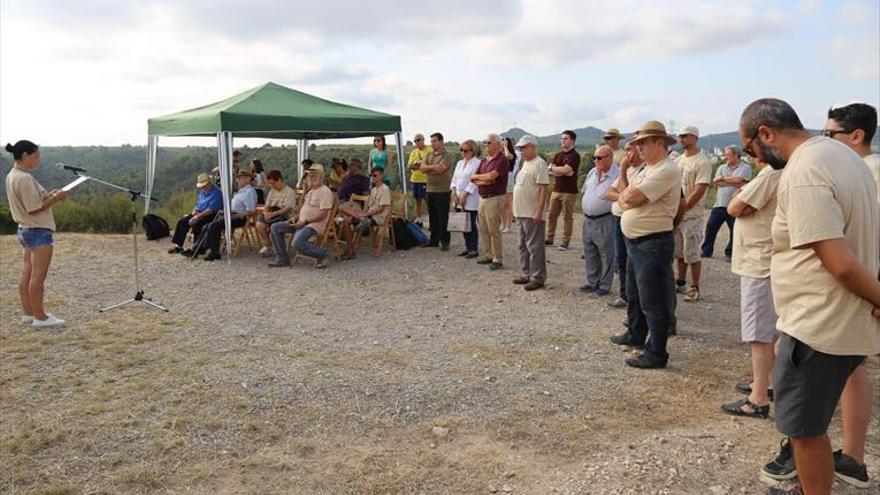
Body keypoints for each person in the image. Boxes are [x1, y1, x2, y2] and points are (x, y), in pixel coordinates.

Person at [737, 99, 880, 495]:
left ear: (766, 133)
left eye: (751, 150)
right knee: (809, 420)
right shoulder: (842, 155)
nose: (756, 158)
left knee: (804, 430)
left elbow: (841, 263)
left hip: (819, 322)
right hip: (837, 318)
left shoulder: (804, 171)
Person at [609, 121, 681, 369]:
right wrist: (624, 178)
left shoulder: (666, 170)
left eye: (643, 142)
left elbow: (630, 196)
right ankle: (636, 334)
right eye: (637, 142)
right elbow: (622, 193)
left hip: (653, 242)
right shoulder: (646, 169)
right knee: (634, 293)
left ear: (660, 143)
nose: (638, 147)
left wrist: (626, 197)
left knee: (653, 300)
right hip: (638, 241)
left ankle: (656, 352)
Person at [719, 157, 781, 420]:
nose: (751, 156)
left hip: (759, 261)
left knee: (759, 332)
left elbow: (734, 207)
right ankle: (766, 383)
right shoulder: (778, 173)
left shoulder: (769, 175)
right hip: (767, 259)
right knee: (771, 330)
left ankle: (758, 400)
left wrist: (742, 194)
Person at [5, 140, 68, 328]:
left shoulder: (13, 175)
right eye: (36, 156)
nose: (38, 160)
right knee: (38, 276)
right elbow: (34, 208)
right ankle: (40, 318)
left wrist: (49, 196)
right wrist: (56, 199)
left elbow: (32, 202)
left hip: (25, 229)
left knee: (28, 272)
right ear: (25, 155)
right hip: (38, 230)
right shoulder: (24, 178)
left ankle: (29, 313)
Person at [268, 164, 335, 268]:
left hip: (312, 225)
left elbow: (323, 214)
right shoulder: (311, 191)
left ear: (321, 177)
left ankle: (324, 255)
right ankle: (282, 258)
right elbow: (303, 209)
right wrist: (295, 218)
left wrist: (305, 222)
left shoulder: (325, 192)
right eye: (310, 176)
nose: (311, 178)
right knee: (275, 227)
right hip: (301, 222)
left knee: (297, 243)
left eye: (314, 176)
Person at [674, 126, 712, 303]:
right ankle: (680, 282)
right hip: (678, 214)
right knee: (680, 252)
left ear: (695, 138)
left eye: (685, 136)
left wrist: (683, 207)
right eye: (680, 136)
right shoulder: (679, 160)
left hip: (692, 215)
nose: (681, 139)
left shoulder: (702, 161)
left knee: (693, 252)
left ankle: (694, 287)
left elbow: (700, 189)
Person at [605, 140, 644, 309]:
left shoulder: (643, 171)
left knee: (632, 262)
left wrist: (621, 170)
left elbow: (627, 194)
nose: (626, 154)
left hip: (632, 224)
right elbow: (609, 192)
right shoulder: (629, 170)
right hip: (618, 219)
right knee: (621, 260)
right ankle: (624, 295)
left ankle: (636, 299)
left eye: (629, 150)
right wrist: (622, 195)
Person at [579, 145, 620, 297]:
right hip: (588, 219)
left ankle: (605, 284)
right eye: (594, 157)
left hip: (605, 219)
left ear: (610, 158)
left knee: (606, 253)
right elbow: (585, 191)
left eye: (599, 158)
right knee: (590, 252)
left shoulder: (618, 175)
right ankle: (592, 282)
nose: (596, 160)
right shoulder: (592, 172)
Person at [511, 135, 550, 290]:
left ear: (533, 147)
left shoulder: (539, 164)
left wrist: (539, 211)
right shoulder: (525, 163)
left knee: (534, 246)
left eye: (524, 148)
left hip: (532, 212)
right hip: (521, 212)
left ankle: (538, 277)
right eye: (520, 149)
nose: (521, 151)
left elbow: (543, 189)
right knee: (523, 245)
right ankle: (526, 273)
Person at [701, 146, 751, 260]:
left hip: (734, 205)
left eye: (728, 155)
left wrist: (723, 179)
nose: (725, 157)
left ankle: (730, 253)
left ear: (736, 155)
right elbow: (716, 182)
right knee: (710, 228)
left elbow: (739, 181)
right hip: (719, 204)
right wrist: (733, 181)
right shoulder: (721, 167)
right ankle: (706, 251)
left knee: (734, 231)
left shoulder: (745, 167)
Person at [196, 169, 258, 261]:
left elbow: (251, 211)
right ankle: (199, 248)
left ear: (248, 179)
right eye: (238, 179)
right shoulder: (241, 191)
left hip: (239, 218)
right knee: (207, 225)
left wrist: (236, 216)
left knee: (214, 226)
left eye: (240, 179)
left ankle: (214, 251)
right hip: (231, 215)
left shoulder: (249, 192)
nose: (238, 180)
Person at [825, 103, 879, 202]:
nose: (825, 140)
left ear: (856, 137)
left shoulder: (873, 169)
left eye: (829, 134)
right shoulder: (856, 167)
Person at [471, 134, 509, 270]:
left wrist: (485, 178)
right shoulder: (484, 160)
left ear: (498, 144)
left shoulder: (502, 160)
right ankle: (488, 254)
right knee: (483, 228)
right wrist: (485, 179)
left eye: (489, 143)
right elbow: (473, 178)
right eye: (485, 143)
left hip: (494, 198)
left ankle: (497, 258)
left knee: (493, 230)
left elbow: (492, 176)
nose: (486, 145)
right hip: (482, 198)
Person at [338, 167, 391, 259]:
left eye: (375, 175)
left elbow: (381, 209)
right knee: (344, 215)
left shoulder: (385, 189)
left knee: (352, 219)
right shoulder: (373, 190)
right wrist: (361, 212)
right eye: (371, 176)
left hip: (377, 217)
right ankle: (350, 249)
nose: (373, 178)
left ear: (381, 176)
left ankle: (351, 249)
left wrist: (366, 214)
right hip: (368, 214)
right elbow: (369, 206)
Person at [168, 173, 223, 255]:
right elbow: (198, 204)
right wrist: (194, 212)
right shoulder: (202, 192)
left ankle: (196, 248)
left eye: (204, 185)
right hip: (199, 212)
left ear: (209, 183)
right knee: (182, 222)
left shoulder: (216, 193)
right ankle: (178, 246)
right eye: (202, 186)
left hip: (210, 214)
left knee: (198, 224)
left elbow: (211, 209)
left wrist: (197, 216)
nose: (203, 187)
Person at [419, 132, 454, 250]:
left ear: (441, 141)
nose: (432, 144)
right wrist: (433, 167)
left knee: (443, 217)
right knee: (432, 217)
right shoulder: (428, 154)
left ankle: (445, 241)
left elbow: (441, 169)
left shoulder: (447, 155)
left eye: (434, 141)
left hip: (443, 190)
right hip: (430, 190)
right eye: (431, 141)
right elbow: (422, 168)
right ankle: (433, 240)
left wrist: (429, 168)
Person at [546, 130, 580, 250]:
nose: (562, 140)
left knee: (567, 217)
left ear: (572, 140)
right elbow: (552, 171)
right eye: (562, 138)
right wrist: (558, 169)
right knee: (551, 215)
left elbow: (567, 171)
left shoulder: (575, 156)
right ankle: (549, 238)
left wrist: (556, 169)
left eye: (565, 138)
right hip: (556, 189)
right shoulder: (558, 155)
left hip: (569, 191)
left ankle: (565, 241)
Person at [450, 139, 481, 258]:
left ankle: (473, 248)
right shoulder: (459, 163)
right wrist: (453, 192)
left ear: (473, 151)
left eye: (466, 150)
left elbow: (475, 181)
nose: (463, 152)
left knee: (471, 223)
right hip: (457, 196)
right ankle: (467, 247)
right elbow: (454, 179)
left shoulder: (477, 163)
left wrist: (465, 194)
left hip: (471, 198)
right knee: (463, 223)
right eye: (461, 150)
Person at [256, 170, 297, 257]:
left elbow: (288, 208)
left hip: (285, 216)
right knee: (259, 224)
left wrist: (274, 213)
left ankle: (279, 249)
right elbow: (266, 205)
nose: (272, 186)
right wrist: (267, 212)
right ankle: (268, 245)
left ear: (279, 180)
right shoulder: (272, 191)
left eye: (273, 183)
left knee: (274, 226)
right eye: (270, 184)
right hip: (272, 213)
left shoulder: (289, 192)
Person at [407, 133, 432, 224]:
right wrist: (420, 164)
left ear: (423, 139)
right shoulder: (414, 152)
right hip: (415, 179)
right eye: (415, 141)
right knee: (417, 200)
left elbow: (430, 164)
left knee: (428, 201)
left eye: (418, 140)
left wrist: (417, 163)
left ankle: (432, 220)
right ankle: (418, 219)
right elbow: (409, 165)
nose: (416, 142)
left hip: (425, 180)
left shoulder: (429, 150)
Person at [501, 137, 522, 233]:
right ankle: (503, 224)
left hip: (508, 177)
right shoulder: (500, 154)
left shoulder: (512, 154)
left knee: (507, 204)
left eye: (503, 142)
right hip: (500, 177)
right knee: (501, 204)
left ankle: (508, 226)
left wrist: (505, 146)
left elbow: (508, 156)